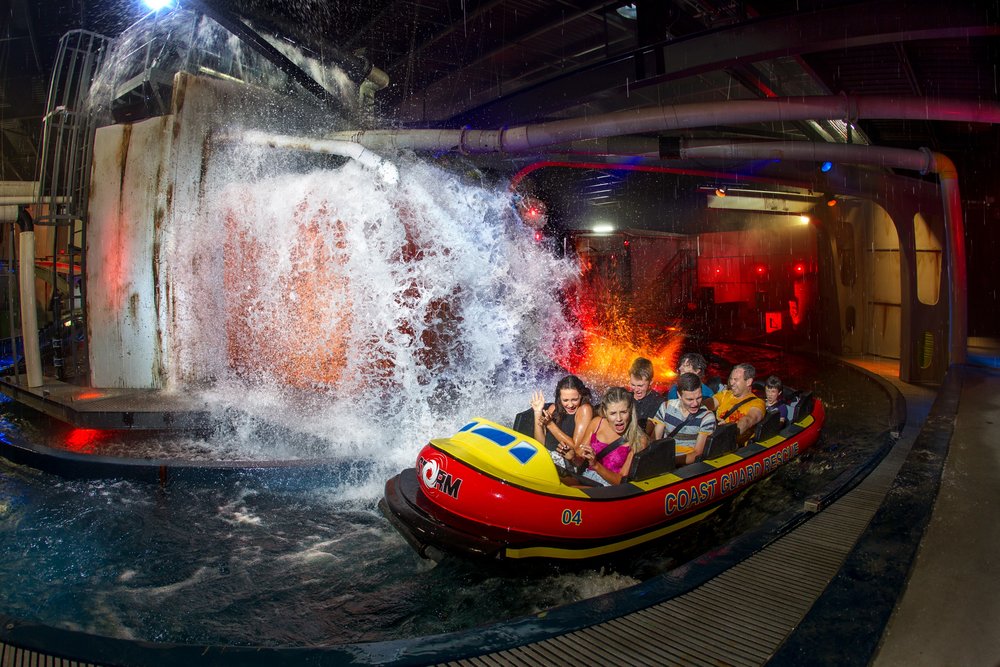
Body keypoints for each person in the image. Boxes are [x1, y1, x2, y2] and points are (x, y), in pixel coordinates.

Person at [554, 386, 647, 485]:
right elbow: (579, 461)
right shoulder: (597, 423)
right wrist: (572, 457)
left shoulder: (639, 439)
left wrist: (595, 465)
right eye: (613, 413)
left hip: (609, 489)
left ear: (630, 411)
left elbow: (621, 481)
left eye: (623, 412)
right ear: (605, 412)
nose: (618, 418)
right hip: (586, 478)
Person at [651, 372, 717, 465]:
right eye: (689, 399)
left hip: (687, 466)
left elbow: (698, 454)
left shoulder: (707, 418)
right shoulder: (666, 407)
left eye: (699, 398)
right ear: (679, 395)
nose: (695, 404)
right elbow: (656, 440)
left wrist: (669, 461)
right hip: (664, 458)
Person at [529, 375, 594, 451]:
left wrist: (550, 425)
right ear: (559, 398)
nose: (570, 405)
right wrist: (537, 412)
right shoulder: (553, 408)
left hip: (565, 461)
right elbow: (540, 444)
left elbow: (576, 447)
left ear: (581, 396)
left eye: (574, 400)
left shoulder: (585, 409)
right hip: (547, 456)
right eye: (565, 400)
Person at [706, 362, 765, 443]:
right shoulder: (725, 394)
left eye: (736, 380)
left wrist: (730, 430)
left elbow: (748, 420)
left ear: (748, 382)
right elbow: (710, 403)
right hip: (714, 437)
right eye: (731, 379)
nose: (731, 383)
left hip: (734, 445)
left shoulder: (758, 403)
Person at [628, 357, 662, 434]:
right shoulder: (625, 398)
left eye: (640, 386)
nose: (636, 389)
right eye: (633, 385)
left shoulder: (658, 402)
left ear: (650, 382)